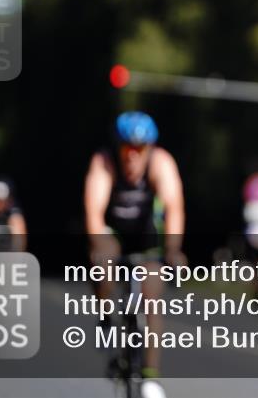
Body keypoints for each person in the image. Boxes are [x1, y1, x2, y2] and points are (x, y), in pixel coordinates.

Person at [83, 111, 186, 398]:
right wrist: (98, 245)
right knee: (101, 262)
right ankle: (105, 317)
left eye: (139, 149)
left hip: (146, 237)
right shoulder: (104, 162)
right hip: (113, 234)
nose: (132, 156)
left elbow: (174, 208)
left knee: (152, 295)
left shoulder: (161, 163)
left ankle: (151, 375)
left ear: (149, 148)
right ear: (118, 147)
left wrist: (173, 250)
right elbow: (93, 211)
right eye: (127, 148)